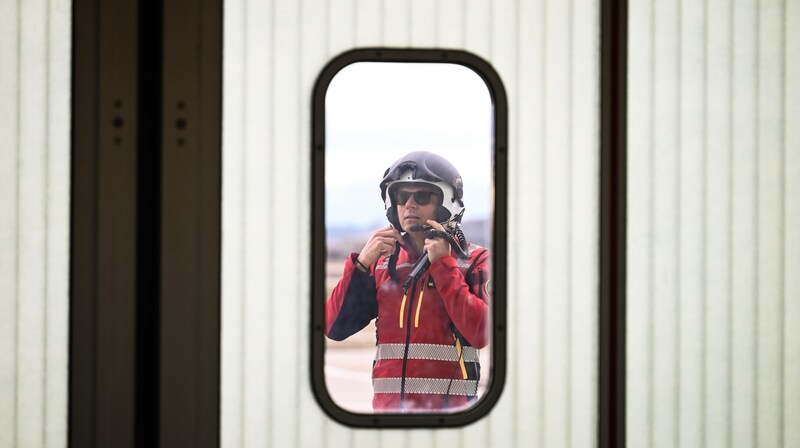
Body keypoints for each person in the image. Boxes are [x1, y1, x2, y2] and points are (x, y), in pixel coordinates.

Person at [325, 151, 490, 413]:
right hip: (388, 422)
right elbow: (334, 327)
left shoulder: (476, 261)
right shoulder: (382, 264)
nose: (409, 205)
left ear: (446, 203)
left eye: (422, 196)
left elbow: (482, 332)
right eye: (402, 196)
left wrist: (443, 266)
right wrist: (360, 266)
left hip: (451, 422)